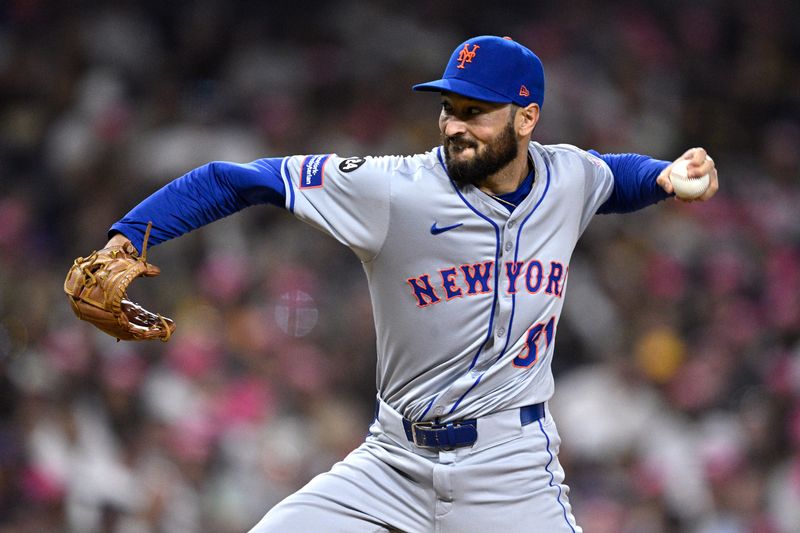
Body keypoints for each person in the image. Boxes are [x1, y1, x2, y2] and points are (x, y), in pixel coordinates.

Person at [96, 35, 718, 532]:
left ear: (527, 118)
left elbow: (618, 176)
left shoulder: (567, 177)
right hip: (393, 460)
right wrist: (129, 237)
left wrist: (666, 176)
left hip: (512, 470)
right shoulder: (392, 188)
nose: (454, 125)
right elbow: (238, 179)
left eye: (476, 112)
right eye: (449, 107)